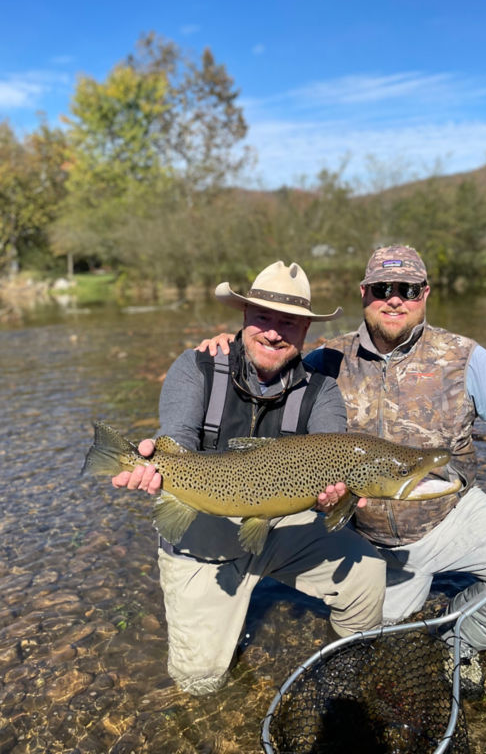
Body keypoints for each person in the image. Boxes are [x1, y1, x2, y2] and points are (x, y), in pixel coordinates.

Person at [200, 245, 486, 690]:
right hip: (369, 542)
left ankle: (459, 639)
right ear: (364, 293)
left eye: (408, 289)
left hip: (451, 516)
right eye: (382, 288)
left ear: (425, 293)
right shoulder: (323, 363)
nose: (395, 298)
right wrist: (226, 352)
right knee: (373, 640)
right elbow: (262, 374)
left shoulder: (464, 357)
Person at [111, 260, 385, 696]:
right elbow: (176, 439)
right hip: (204, 527)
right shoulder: (197, 366)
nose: (274, 332)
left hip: (283, 522)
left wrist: (336, 497)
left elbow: (332, 451)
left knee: (368, 570)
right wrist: (151, 464)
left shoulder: (322, 390)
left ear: (305, 331)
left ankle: (346, 673)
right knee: (199, 683)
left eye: (289, 323)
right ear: (243, 318)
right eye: (263, 318)